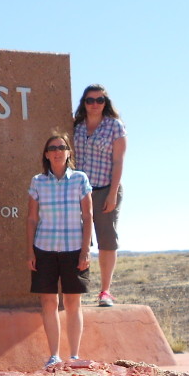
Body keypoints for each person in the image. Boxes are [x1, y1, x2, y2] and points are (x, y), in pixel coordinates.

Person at [27, 133, 93, 368]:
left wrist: (86, 251)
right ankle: (54, 355)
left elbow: (87, 215)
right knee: (49, 302)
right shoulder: (38, 181)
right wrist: (30, 251)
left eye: (61, 147)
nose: (57, 151)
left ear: (68, 153)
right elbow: (32, 218)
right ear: (46, 154)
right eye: (52, 148)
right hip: (44, 247)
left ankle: (74, 356)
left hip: (74, 248)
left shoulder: (79, 179)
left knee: (73, 302)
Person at [72, 84, 126, 307]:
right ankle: (76, 289)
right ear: (84, 103)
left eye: (99, 100)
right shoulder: (76, 126)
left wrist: (112, 193)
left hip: (105, 189)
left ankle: (105, 291)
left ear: (106, 103)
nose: (95, 104)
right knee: (79, 241)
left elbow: (118, 161)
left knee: (107, 240)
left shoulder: (114, 126)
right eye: (90, 100)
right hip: (78, 192)